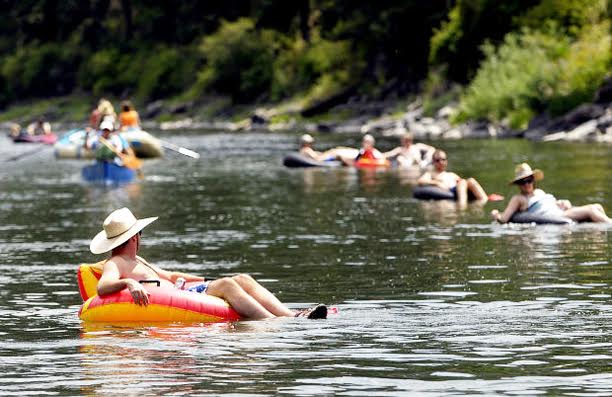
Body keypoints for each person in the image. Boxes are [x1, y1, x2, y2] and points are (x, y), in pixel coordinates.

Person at [90, 208, 327, 320]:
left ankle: (292, 315)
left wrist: (204, 280)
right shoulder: (116, 262)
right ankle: (278, 323)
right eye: (140, 233)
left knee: (241, 278)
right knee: (227, 284)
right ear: (134, 237)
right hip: (177, 297)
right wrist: (130, 283)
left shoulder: (137, 259)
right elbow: (103, 287)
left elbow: (170, 275)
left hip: (183, 290)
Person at [491, 163, 612, 223]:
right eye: (523, 182)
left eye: (529, 180)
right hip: (556, 216)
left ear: (533, 180)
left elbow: (554, 204)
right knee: (591, 209)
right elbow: (504, 218)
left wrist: (564, 202)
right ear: (518, 184)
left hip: (561, 211)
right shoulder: (518, 199)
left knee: (597, 206)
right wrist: (496, 214)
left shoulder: (540, 192)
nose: (527, 184)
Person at [417, 149, 489, 205]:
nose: (441, 162)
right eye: (438, 160)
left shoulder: (451, 174)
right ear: (433, 162)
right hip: (448, 191)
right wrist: (436, 183)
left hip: (458, 189)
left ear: (446, 161)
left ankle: (485, 200)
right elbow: (420, 181)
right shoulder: (431, 173)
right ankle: (462, 205)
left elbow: (462, 182)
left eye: (443, 159)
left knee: (471, 180)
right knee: (462, 182)